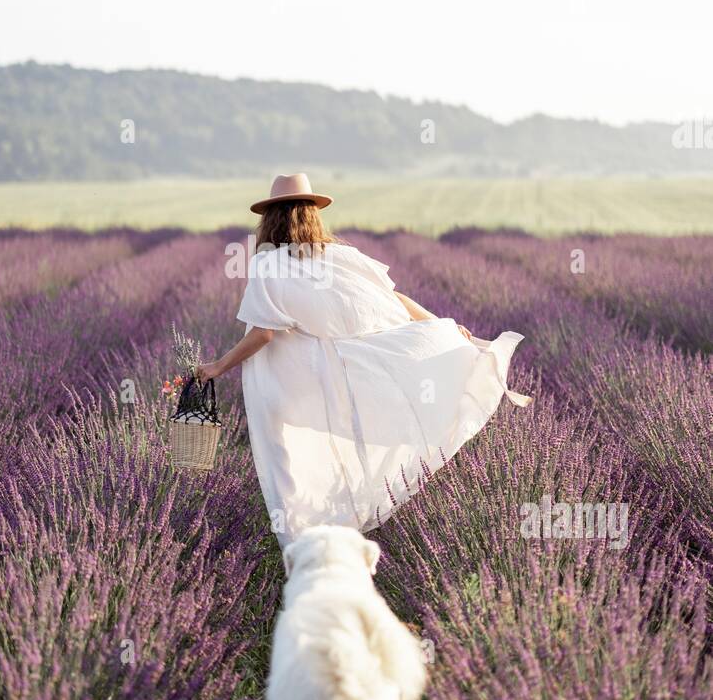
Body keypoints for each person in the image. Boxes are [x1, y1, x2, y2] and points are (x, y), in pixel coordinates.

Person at [197, 173, 530, 545]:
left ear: (269, 220)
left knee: (287, 452)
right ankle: (350, 520)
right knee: (361, 440)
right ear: (312, 215)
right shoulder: (342, 256)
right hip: (358, 369)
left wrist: (217, 367)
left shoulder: (268, 264)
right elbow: (396, 299)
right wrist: (444, 328)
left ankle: (303, 539)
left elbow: (264, 333)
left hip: (301, 380)